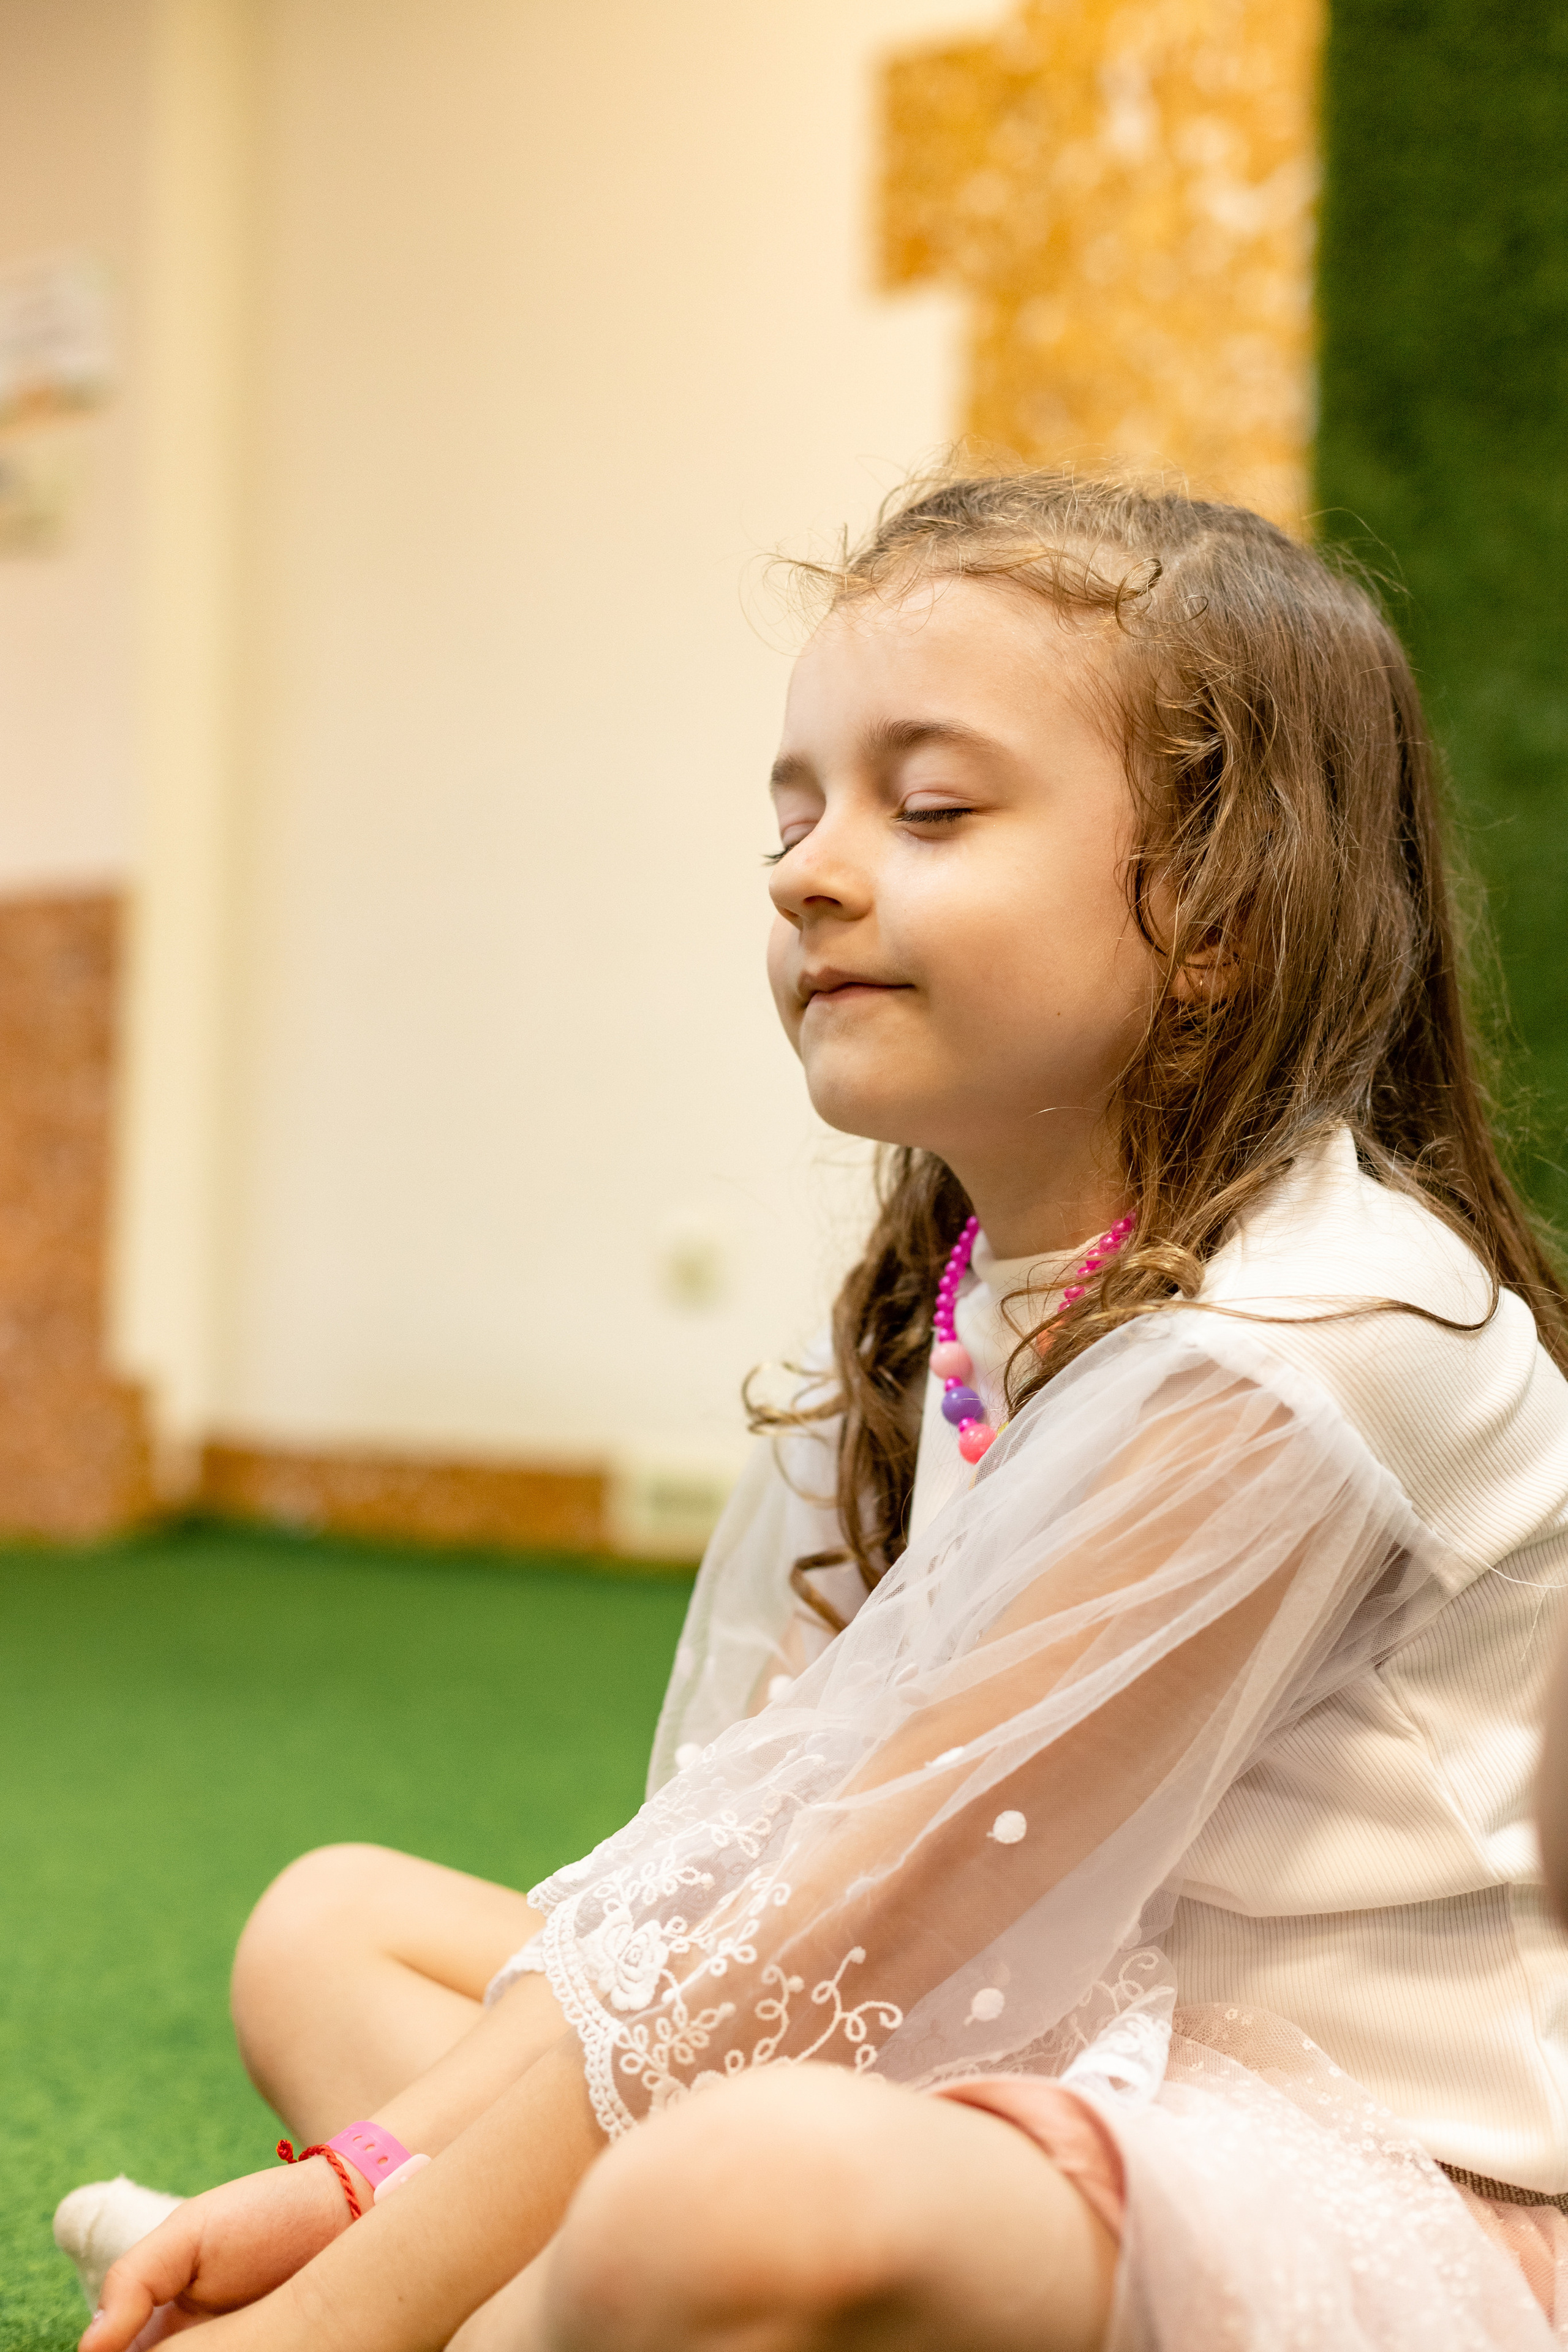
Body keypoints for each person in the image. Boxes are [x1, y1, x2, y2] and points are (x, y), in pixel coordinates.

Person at [72, 472, 1568, 2351]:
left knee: (742, 2186)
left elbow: (852, 1926)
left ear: (1220, 910)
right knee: (334, 1930)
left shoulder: (1307, 1344)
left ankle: (515, 2308)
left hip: (1380, 2184)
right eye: (794, 818)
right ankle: (554, 2296)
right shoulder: (952, 1306)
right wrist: (364, 2178)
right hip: (1026, 2045)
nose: (807, 874)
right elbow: (731, 1878)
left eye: (928, 810)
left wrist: (335, 2307)